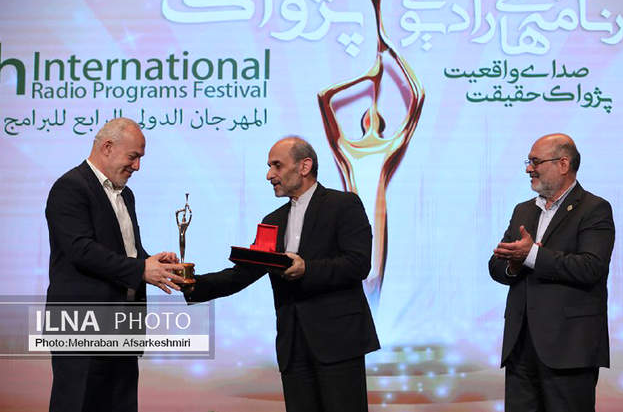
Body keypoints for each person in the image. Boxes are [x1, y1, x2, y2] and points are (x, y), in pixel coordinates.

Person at [186, 136, 380, 412]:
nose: (269, 175)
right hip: (293, 347)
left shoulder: (344, 205)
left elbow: (358, 264)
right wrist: (192, 283)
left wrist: (306, 269)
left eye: (277, 165)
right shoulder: (272, 221)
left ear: (304, 166)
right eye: (269, 167)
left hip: (338, 342)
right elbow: (244, 273)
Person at [45, 117, 185, 412]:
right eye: (133, 157)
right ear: (107, 147)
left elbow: (123, 250)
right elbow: (81, 250)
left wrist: (152, 262)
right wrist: (140, 270)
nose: (137, 166)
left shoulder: (126, 194)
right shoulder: (70, 187)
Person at [489, 133, 615, 411]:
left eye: (536, 161)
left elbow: (591, 267)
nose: (528, 169)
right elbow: (497, 265)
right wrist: (513, 265)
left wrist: (531, 255)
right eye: (528, 161)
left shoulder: (595, 209)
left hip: (569, 349)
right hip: (520, 348)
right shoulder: (523, 210)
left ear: (563, 164)